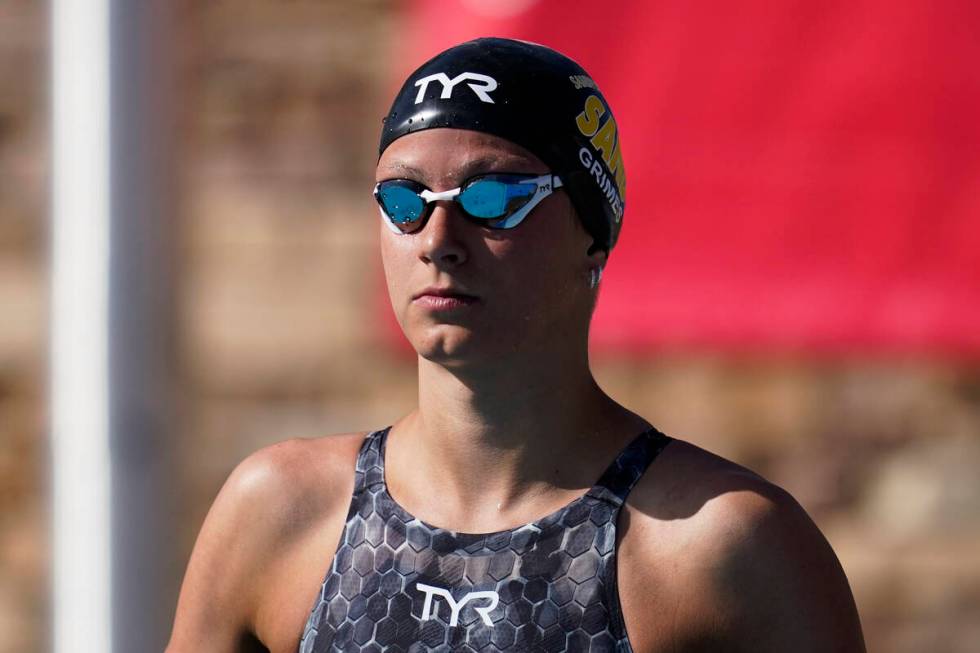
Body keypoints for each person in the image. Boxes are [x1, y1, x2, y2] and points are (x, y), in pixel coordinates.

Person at [167, 38, 865, 652]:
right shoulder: (282, 513)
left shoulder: (719, 545)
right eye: (404, 200)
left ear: (592, 232)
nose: (438, 241)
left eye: (493, 198)